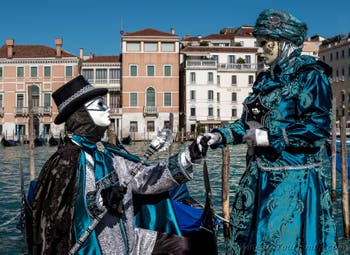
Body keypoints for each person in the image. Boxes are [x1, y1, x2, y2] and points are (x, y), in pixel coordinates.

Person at [197, 9, 338, 254]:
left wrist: (271, 137)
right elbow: (247, 125)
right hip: (257, 183)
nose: (261, 50)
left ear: (284, 43)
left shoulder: (311, 77)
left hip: (293, 184)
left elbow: (318, 127)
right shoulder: (264, 80)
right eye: (259, 43)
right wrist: (218, 136)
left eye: (266, 44)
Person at [31, 75, 208, 255]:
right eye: (100, 105)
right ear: (82, 114)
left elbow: (145, 179)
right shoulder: (64, 163)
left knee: (183, 246)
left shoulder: (109, 153)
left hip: (131, 239)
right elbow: (62, 213)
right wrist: (100, 199)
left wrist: (188, 157)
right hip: (94, 247)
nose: (108, 107)